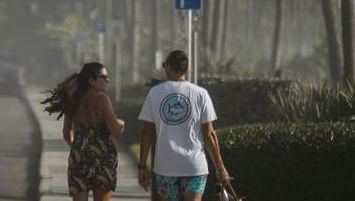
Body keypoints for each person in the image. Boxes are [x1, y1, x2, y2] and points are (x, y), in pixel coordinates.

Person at [137, 50, 230, 201]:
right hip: (194, 167)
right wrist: (220, 169)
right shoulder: (201, 94)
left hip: (165, 167)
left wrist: (142, 167)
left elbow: (147, 133)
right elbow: (209, 134)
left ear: (167, 67)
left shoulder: (155, 93)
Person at [43, 62, 126, 201]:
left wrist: (79, 148)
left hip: (79, 158)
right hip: (103, 159)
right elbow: (116, 132)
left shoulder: (73, 99)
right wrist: (122, 123)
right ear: (91, 81)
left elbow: (66, 132)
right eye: (104, 77)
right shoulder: (103, 99)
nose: (108, 80)